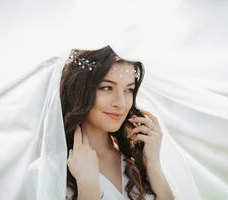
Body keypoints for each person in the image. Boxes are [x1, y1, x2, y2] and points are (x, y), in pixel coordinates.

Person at [60, 45, 175, 200]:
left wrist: (153, 165)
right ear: (78, 91)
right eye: (107, 88)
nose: (121, 103)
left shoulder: (138, 160)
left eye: (129, 90)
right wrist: (87, 187)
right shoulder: (47, 171)